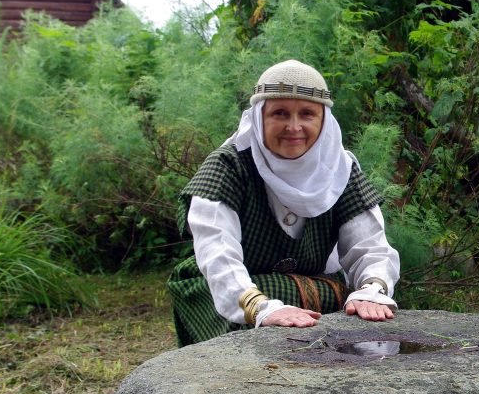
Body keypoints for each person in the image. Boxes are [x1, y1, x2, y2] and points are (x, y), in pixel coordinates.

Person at [167, 60, 399, 347]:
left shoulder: (339, 169)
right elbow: (217, 250)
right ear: (259, 117)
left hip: (312, 285)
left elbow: (371, 247)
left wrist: (370, 289)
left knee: (347, 312)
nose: (294, 127)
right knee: (251, 335)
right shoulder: (228, 166)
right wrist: (262, 308)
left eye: (307, 114)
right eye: (279, 113)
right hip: (228, 284)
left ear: (323, 119)